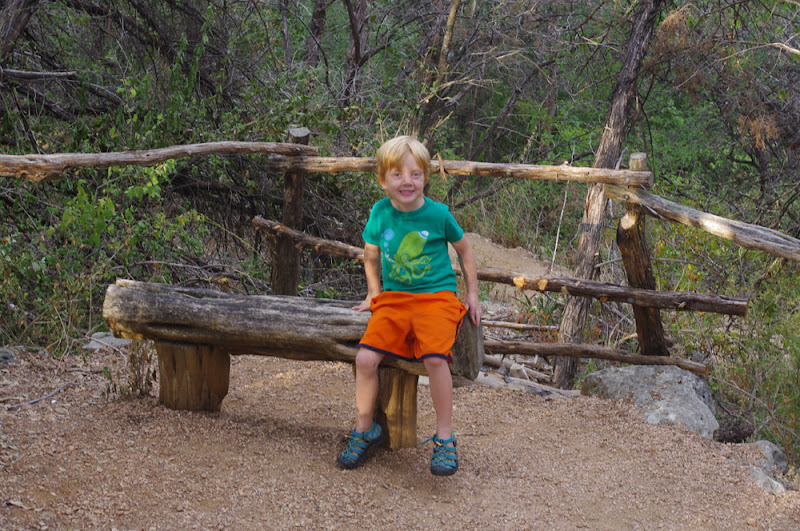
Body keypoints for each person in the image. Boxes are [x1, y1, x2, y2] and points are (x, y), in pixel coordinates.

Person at [337, 135, 481, 476]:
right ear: (382, 179)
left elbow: (465, 250)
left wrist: (472, 294)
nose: (407, 182)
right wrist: (374, 293)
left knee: (434, 357)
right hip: (395, 299)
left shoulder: (438, 214)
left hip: (437, 298)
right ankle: (365, 428)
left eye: (415, 174)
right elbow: (371, 253)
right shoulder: (380, 212)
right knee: (365, 358)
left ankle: (444, 437)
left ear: (425, 177)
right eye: (398, 174)